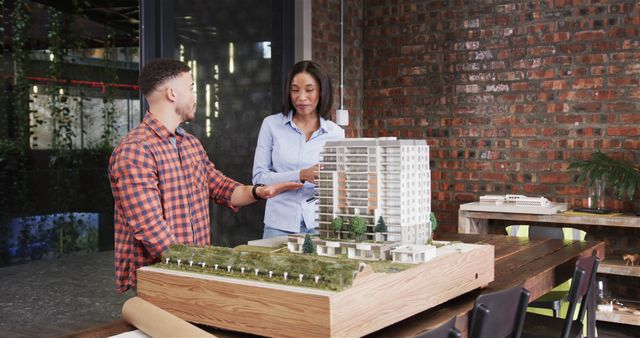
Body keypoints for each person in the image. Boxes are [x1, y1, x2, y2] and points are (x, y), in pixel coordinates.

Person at [108, 59, 301, 293]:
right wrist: (205, 270)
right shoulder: (135, 151)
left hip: (194, 275)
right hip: (163, 282)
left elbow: (221, 187)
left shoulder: (190, 145)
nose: (194, 95)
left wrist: (259, 191)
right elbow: (152, 231)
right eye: (191, 88)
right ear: (171, 93)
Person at [252, 60, 345, 239]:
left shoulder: (336, 133)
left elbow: (339, 184)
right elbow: (259, 178)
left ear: (321, 91)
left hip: (321, 224)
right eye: (295, 90)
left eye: (309, 90)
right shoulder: (271, 125)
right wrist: (301, 174)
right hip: (279, 224)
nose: (301, 97)